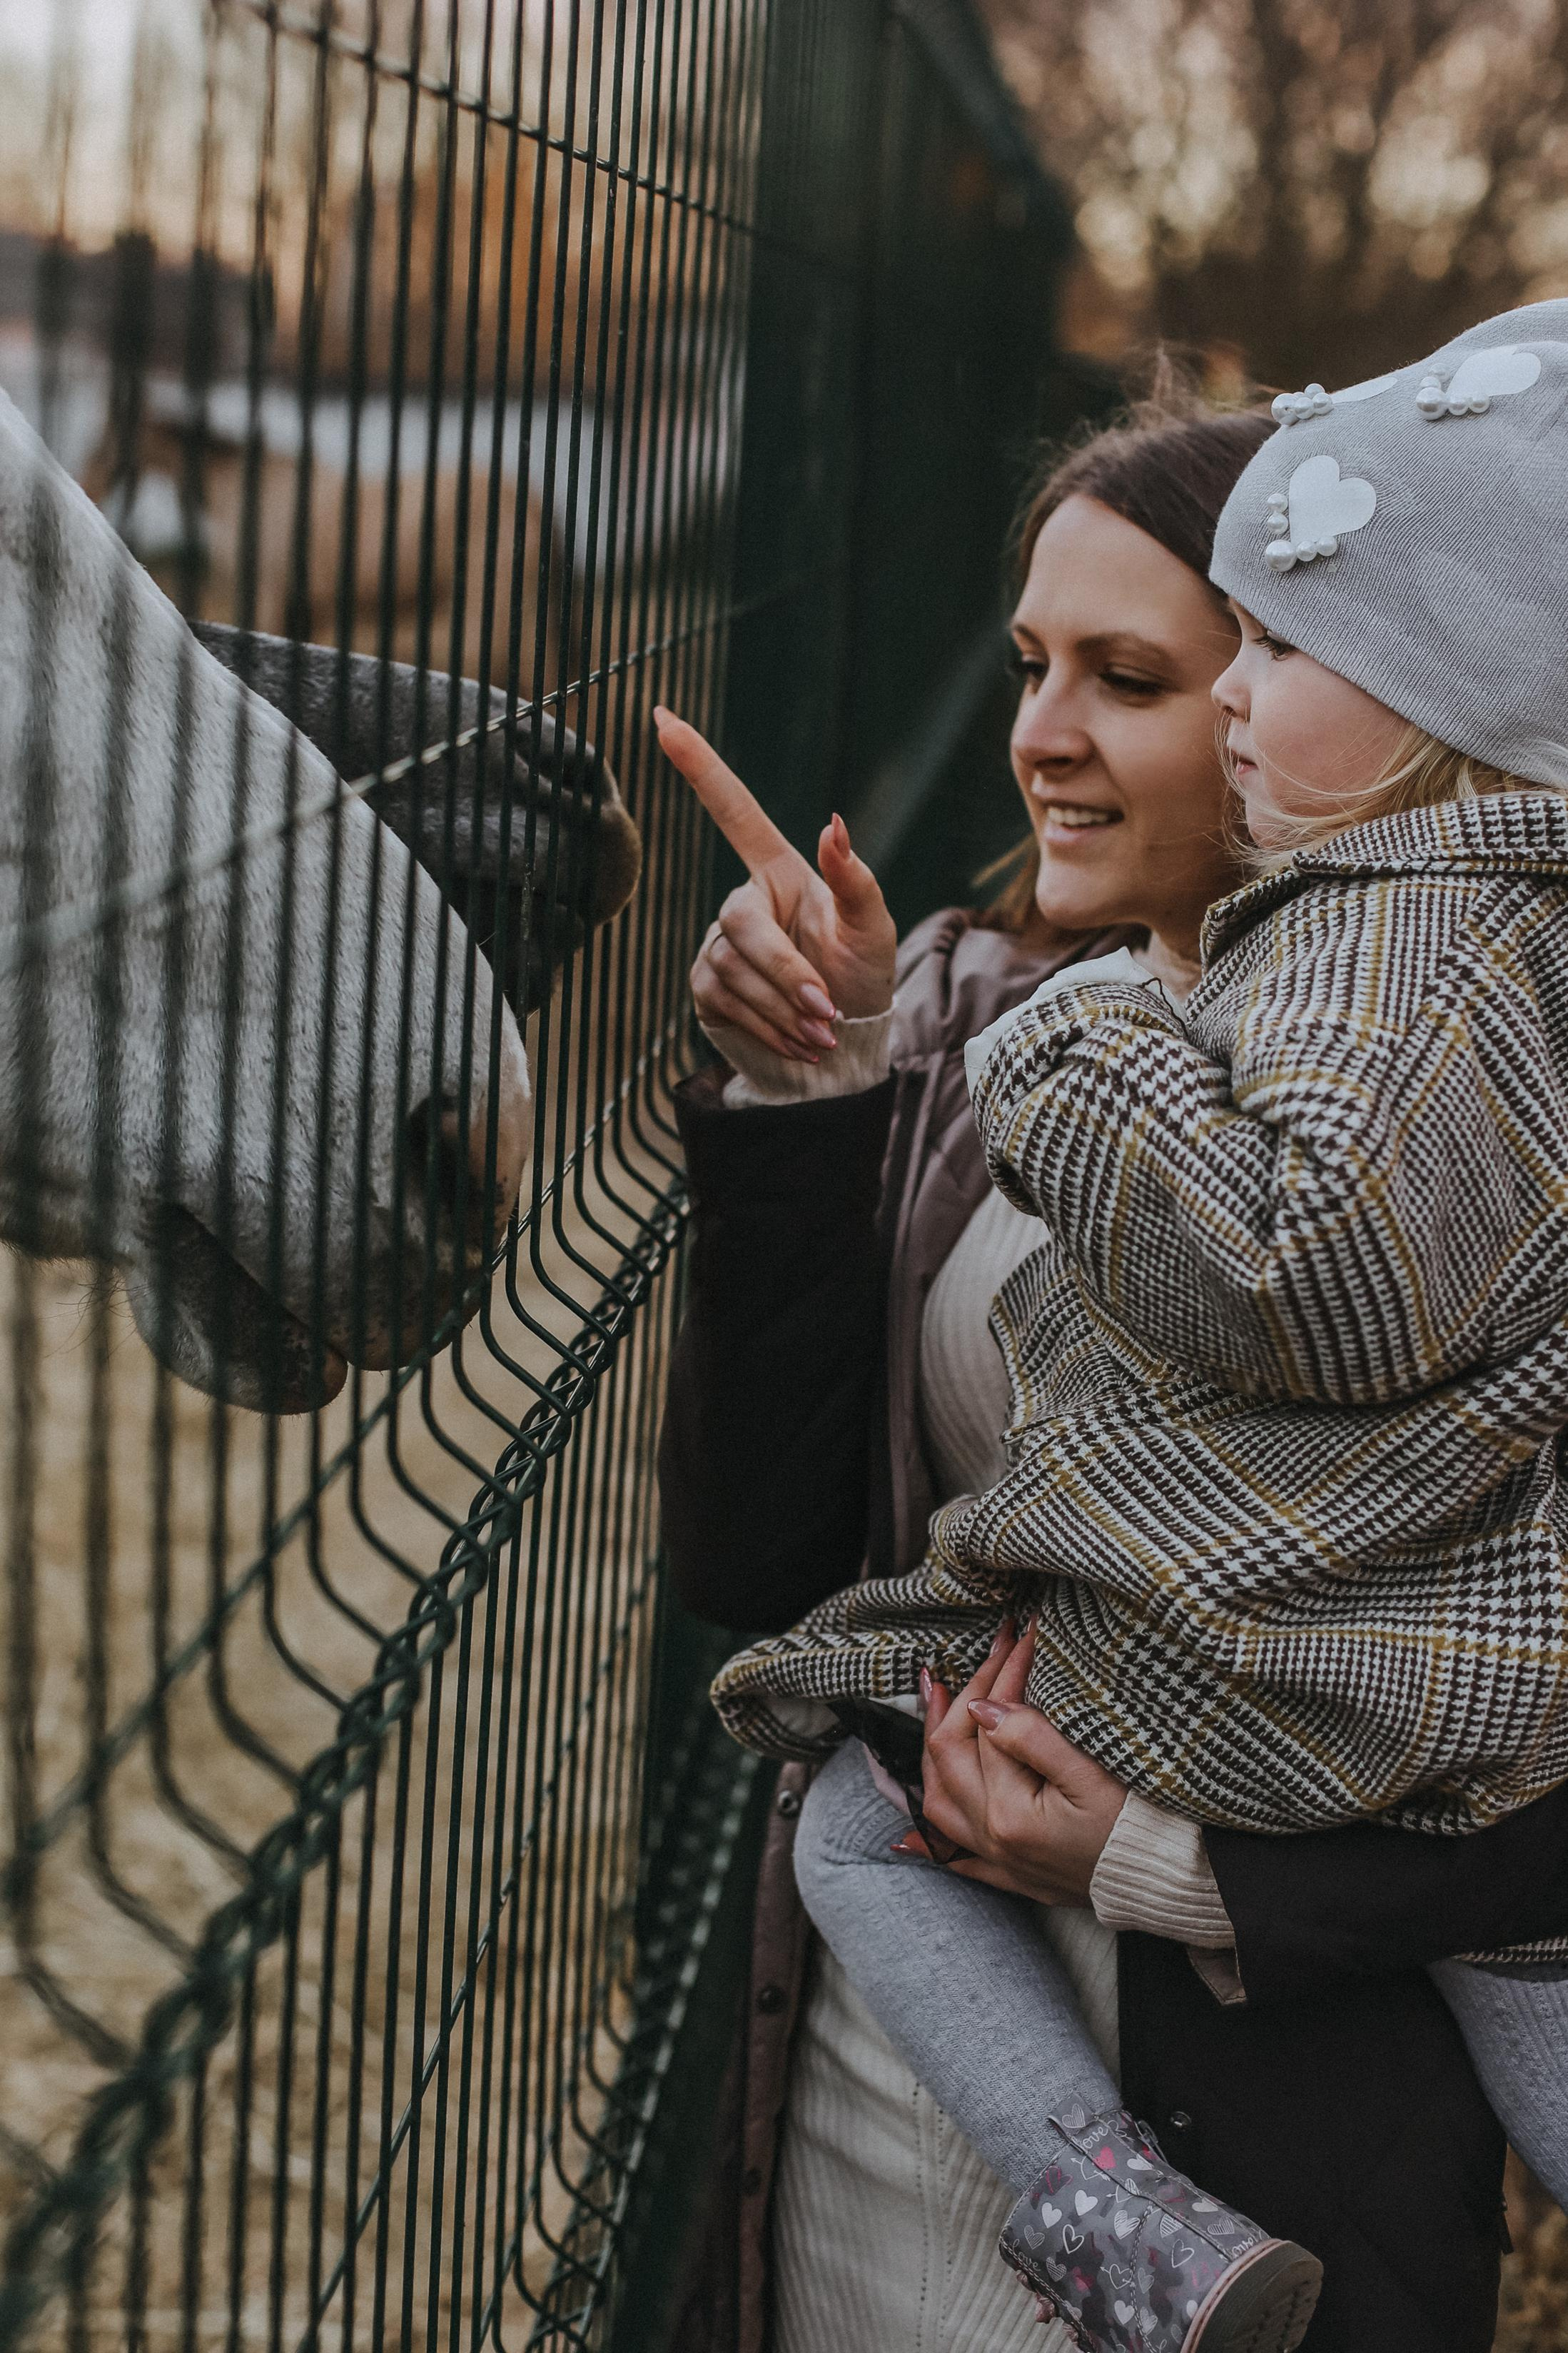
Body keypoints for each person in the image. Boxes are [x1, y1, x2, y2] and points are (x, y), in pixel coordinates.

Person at [657, 385, 1568, 2353]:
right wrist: (812, 1094)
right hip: (912, 2122)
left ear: (1380, 703)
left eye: (1130, 679)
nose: (1041, 736)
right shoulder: (976, 1026)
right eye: (1030, 664)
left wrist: (1176, 1867)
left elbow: (1530, 1714)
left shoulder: (1486, 1097)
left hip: (1293, 2153)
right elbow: (763, 1564)